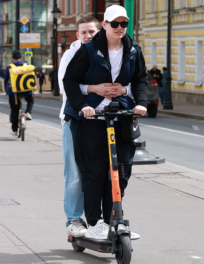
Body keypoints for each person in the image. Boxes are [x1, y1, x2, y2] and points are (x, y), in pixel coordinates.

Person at [63, 5, 148, 239]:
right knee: (95, 172)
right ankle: (93, 222)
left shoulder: (133, 51)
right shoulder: (89, 51)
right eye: (115, 24)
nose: (120, 28)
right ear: (105, 25)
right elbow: (70, 80)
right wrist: (83, 106)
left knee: (121, 171)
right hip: (91, 119)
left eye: (124, 24)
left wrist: (138, 100)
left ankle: (114, 220)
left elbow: (141, 79)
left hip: (120, 116)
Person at [4, 50, 34, 136]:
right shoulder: (26, 66)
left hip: (13, 92)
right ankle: (28, 113)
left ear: (13, 59)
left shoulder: (9, 67)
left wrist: (7, 90)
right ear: (21, 58)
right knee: (30, 100)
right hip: (26, 91)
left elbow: (6, 80)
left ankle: (14, 130)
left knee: (14, 110)